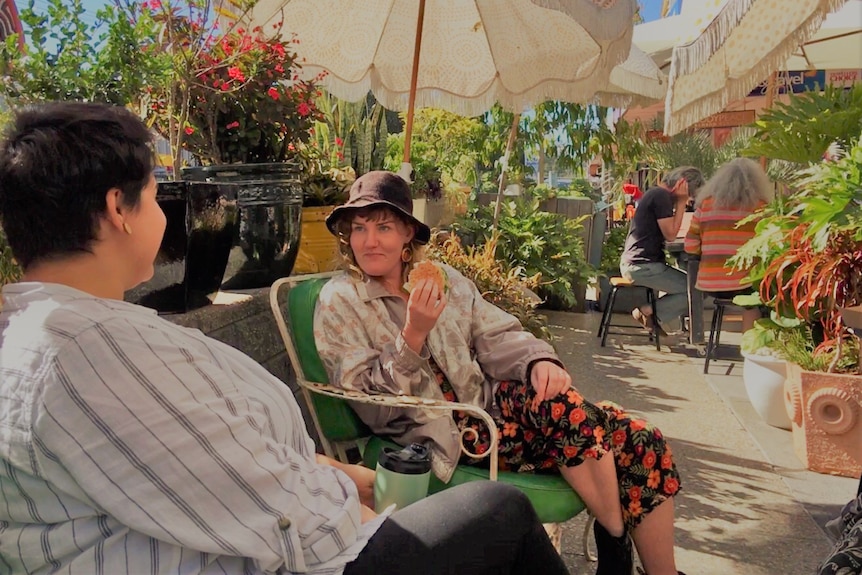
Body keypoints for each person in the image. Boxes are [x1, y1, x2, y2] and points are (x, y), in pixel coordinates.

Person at [0, 102, 571, 575]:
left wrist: (350, 476)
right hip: (298, 550)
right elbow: (264, 506)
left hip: (331, 482)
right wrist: (366, 508)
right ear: (117, 210)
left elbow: (220, 461)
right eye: (154, 194)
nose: (165, 212)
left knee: (568, 436)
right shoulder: (92, 354)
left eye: (386, 226)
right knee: (501, 509)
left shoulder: (72, 334)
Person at [314, 170, 687, 575]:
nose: (370, 241)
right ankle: (615, 552)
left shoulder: (445, 280)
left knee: (636, 436)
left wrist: (538, 361)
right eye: (360, 229)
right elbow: (370, 404)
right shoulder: (341, 302)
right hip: (450, 435)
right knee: (587, 421)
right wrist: (412, 336)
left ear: (407, 234)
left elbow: (496, 334)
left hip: (490, 407)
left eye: (383, 227)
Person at [684, 157, 773, 332]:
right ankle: (750, 348)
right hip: (746, 283)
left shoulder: (706, 206)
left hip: (711, 285)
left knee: (750, 298)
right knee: (753, 303)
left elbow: (690, 246)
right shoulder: (761, 208)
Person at [620, 167, 705, 335]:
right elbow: (671, 235)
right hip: (643, 266)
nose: (689, 200)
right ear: (683, 185)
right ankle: (648, 312)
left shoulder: (656, 194)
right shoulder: (661, 197)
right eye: (690, 195)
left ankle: (654, 316)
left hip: (639, 263)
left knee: (693, 286)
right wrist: (680, 202)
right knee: (697, 288)